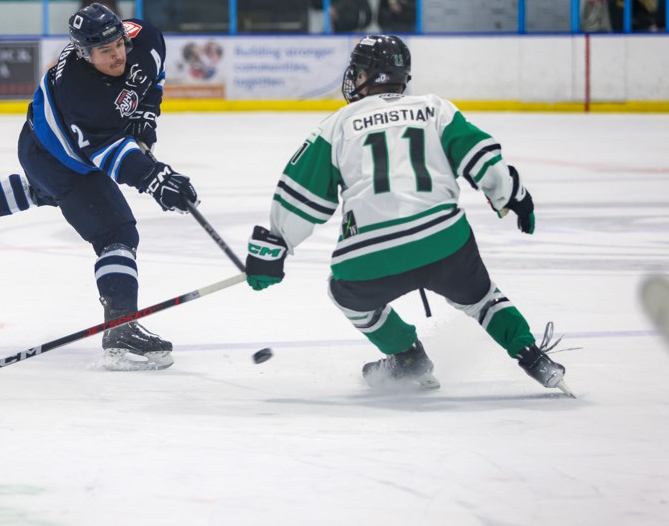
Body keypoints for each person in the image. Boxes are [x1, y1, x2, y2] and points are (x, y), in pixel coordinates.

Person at [244, 34, 571, 396]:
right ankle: (533, 357)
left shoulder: (336, 125)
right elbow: (484, 161)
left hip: (370, 256)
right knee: (482, 298)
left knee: (343, 293)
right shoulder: (435, 109)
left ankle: (406, 355)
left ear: (369, 75)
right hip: (444, 242)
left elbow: (300, 197)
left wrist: (275, 246)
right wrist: (514, 196)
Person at [0, 4, 198, 371]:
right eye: (104, 52)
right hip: (53, 155)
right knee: (115, 230)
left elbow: (153, 78)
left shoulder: (143, 38)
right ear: (84, 53)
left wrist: (145, 119)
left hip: (43, 143)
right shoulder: (82, 95)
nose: (116, 55)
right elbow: (110, 152)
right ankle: (121, 327)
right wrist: (156, 178)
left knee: (53, 193)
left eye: (118, 44)